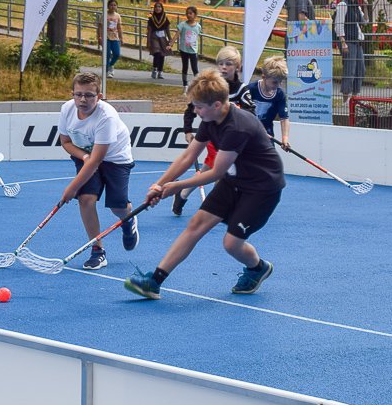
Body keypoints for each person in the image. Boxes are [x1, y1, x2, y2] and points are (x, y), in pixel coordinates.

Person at [124, 69, 284, 300]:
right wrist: (158, 185)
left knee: (231, 243)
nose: (195, 111)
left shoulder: (237, 127)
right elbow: (187, 157)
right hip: (234, 181)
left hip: (262, 189)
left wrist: (176, 187)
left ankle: (258, 268)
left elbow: (215, 172)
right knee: (196, 224)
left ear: (217, 104)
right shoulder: (211, 119)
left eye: (198, 107)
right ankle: (154, 282)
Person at [58, 72, 138, 270]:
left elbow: (96, 161)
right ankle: (97, 250)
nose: (82, 100)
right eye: (78, 94)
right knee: (86, 199)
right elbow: (65, 142)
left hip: (115, 159)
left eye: (89, 95)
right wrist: (84, 156)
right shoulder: (67, 109)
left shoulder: (106, 116)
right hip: (86, 154)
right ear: (72, 94)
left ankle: (128, 218)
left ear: (99, 96)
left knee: (117, 207)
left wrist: (71, 188)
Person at [172, 45, 244, 216]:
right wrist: (187, 130)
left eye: (228, 64)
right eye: (221, 64)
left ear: (237, 67)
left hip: (232, 137)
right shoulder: (210, 87)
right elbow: (191, 108)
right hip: (215, 135)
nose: (224, 68)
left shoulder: (242, 89)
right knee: (220, 171)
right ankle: (218, 208)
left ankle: (183, 193)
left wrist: (237, 111)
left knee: (209, 170)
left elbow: (251, 113)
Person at [334, 0, 367, 102]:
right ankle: (345, 99)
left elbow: (365, 21)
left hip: (357, 41)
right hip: (348, 41)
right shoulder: (343, 5)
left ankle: (355, 98)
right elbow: (338, 25)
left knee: (360, 69)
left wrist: (365, 7)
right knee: (349, 70)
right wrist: (343, 43)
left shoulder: (356, 6)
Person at [245, 57, 291, 147]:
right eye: (275, 82)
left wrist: (285, 138)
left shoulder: (280, 95)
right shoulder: (251, 89)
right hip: (247, 135)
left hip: (267, 137)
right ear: (264, 77)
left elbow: (284, 118)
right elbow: (240, 113)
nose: (278, 85)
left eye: (280, 81)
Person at [177, 5, 203, 87]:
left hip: (193, 50)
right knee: (185, 67)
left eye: (190, 13)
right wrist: (170, 44)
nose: (188, 15)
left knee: (194, 68)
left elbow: (197, 36)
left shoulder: (198, 26)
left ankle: (198, 85)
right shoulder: (183, 25)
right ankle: (185, 84)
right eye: (187, 13)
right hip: (184, 49)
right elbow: (177, 34)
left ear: (195, 14)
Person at [146, 2, 172, 79]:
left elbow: (167, 29)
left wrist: (170, 39)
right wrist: (148, 41)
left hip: (162, 37)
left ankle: (160, 72)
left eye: (159, 7)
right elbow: (149, 31)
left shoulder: (164, 18)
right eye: (156, 7)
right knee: (157, 53)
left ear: (162, 8)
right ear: (154, 8)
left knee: (162, 55)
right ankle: (155, 69)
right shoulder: (151, 19)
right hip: (154, 37)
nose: (158, 8)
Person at [98, 0, 123, 78]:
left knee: (117, 54)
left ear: (117, 6)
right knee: (107, 54)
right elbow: (100, 27)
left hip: (115, 37)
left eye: (114, 5)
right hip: (106, 37)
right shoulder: (104, 15)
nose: (113, 6)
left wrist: (121, 37)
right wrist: (99, 37)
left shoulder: (117, 16)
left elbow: (119, 27)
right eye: (111, 5)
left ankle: (110, 65)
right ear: (108, 6)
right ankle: (107, 71)